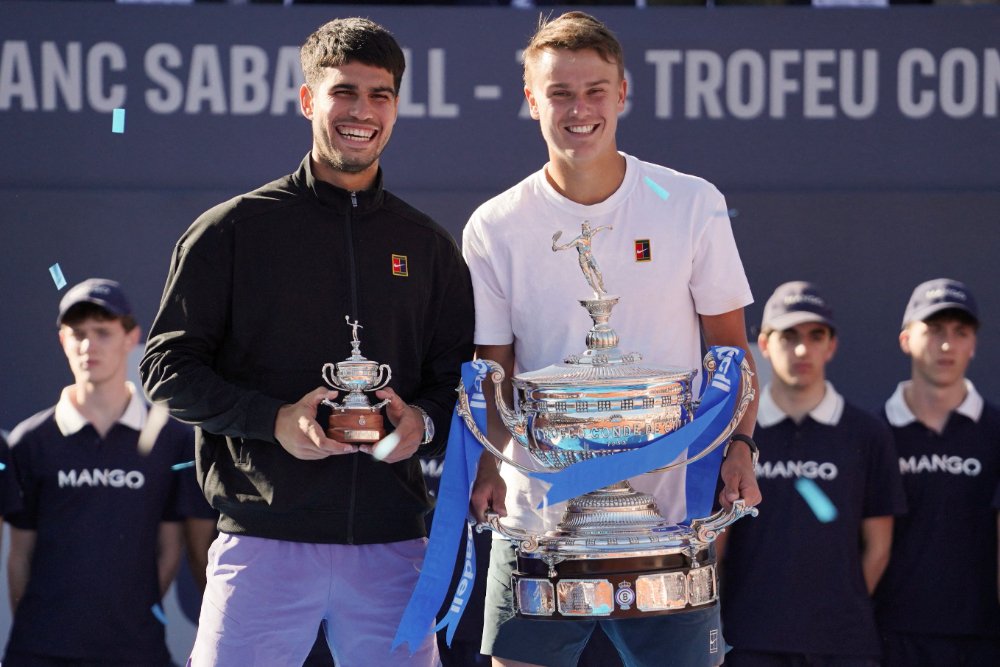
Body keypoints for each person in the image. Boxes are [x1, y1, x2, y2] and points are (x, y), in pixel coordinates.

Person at [139, 17, 474, 666]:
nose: (362, 111)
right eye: (344, 92)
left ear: (397, 107)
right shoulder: (232, 231)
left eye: (380, 95)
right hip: (263, 540)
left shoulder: (428, 246)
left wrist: (423, 423)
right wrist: (275, 420)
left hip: (390, 546)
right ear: (306, 100)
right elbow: (166, 365)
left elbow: (456, 374)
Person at [462, 12, 760, 667]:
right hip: (541, 515)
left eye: (595, 90)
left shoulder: (689, 202)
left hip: (668, 514)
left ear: (622, 93)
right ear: (531, 99)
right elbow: (494, 366)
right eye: (560, 92)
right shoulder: (495, 225)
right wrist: (485, 464)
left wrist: (738, 444)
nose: (579, 109)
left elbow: (730, 348)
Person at [3, 278, 215, 666]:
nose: (89, 346)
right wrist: (40, 633)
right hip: (38, 650)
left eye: (103, 332)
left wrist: (131, 614)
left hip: (136, 649)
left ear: (130, 337)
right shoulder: (30, 440)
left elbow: (171, 548)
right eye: (78, 334)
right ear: (62, 341)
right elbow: (19, 554)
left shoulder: (170, 439)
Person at [717, 281, 907, 667]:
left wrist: (837, 611)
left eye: (815, 335)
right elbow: (717, 545)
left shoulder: (867, 433)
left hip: (844, 644)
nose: (802, 349)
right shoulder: (736, 439)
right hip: (750, 639)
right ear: (765, 345)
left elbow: (880, 546)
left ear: (831, 345)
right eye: (788, 336)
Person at [874, 278, 1000, 666]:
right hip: (889, 635)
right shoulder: (874, 433)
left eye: (960, 332)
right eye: (933, 330)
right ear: (906, 339)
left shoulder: (996, 431)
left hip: (982, 638)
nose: (947, 345)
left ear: (973, 344)